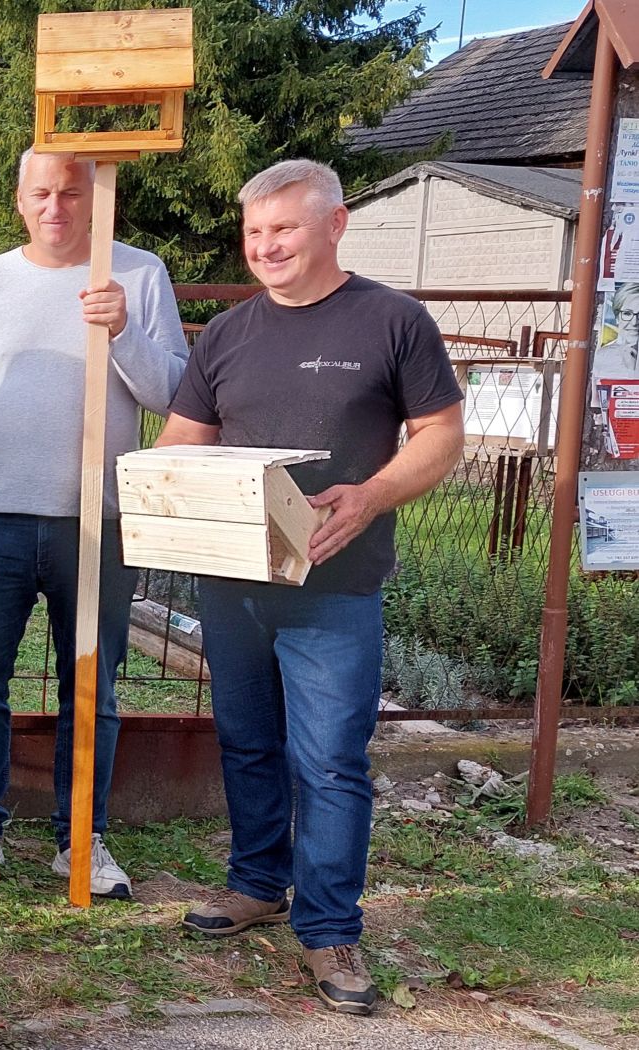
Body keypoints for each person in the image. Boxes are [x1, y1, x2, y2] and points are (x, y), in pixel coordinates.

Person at [157, 159, 463, 1015]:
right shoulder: (227, 334)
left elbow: (442, 436)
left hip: (336, 582)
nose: (266, 247)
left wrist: (372, 495)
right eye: (254, 234)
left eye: (283, 229)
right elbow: (185, 438)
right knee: (248, 740)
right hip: (234, 580)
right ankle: (258, 883)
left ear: (334, 226)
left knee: (329, 761)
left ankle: (329, 928)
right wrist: (151, 486)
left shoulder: (393, 321)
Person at [0, 150, 188, 895]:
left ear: (96, 199)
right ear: (19, 200)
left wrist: (123, 331)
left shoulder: (138, 273)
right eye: (41, 192)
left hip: (96, 521)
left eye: (71, 192)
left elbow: (173, 392)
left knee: (93, 684)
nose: (56, 206)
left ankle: (82, 836)